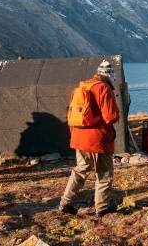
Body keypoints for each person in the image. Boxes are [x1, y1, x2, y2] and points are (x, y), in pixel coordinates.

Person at [59, 60, 120, 217]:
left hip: (80, 137)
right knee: (104, 174)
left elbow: (71, 113)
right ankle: (102, 207)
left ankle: (66, 202)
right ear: (110, 75)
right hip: (98, 138)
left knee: (80, 169)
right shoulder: (104, 89)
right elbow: (110, 116)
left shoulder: (82, 86)